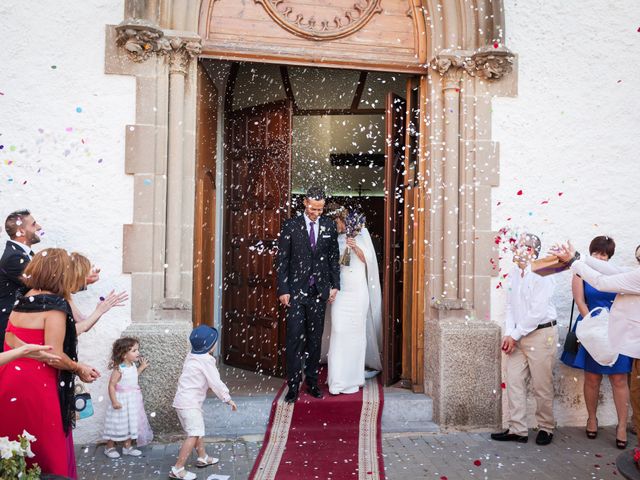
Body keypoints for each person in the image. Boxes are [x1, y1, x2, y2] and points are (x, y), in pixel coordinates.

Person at [0, 248, 100, 479]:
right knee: (46, 446)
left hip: (10, 381)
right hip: (37, 385)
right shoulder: (53, 305)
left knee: (18, 443)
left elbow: (10, 340)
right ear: (60, 274)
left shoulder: (24, 299)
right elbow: (54, 355)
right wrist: (79, 367)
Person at [555, 242, 640, 467]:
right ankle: (591, 419)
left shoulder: (633, 276)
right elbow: (583, 297)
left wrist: (575, 260)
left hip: (617, 332)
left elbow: (604, 281)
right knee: (592, 378)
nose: (601, 257)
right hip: (594, 331)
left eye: (605, 253)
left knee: (620, 379)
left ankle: (622, 426)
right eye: (598, 253)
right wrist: (577, 258)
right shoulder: (628, 273)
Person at [491, 233, 558, 446]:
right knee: (513, 381)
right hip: (518, 335)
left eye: (518, 246)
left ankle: (546, 427)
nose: (513, 249)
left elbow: (537, 313)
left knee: (542, 384)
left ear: (530, 250)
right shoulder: (513, 273)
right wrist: (510, 333)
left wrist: (515, 334)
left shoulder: (544, 273)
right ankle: (517, 429)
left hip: (541, 334)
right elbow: (511, 306)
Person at [276, 186, 341, 403]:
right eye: (313, 208)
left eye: (320, 209)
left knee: (314, 340)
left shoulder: (330, 226)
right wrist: (283, 289)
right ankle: (293, 385)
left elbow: (333, 258)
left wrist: (335, 285)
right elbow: (282, 260)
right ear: (305, 203)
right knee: (295, 339)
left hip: (318, 292)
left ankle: (312, 382)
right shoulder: (290, 225)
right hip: (295, 292)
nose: (317, 213)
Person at [323, 205, 382, 395]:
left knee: (356, 335)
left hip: (358, 292)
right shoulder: (333, 239)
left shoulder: (360, 235)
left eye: (337, 222)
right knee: (339, 331)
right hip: (341, 292)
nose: (336, 226)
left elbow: (370, 262)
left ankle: (354, 378)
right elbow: (333, 265)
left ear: (344, 220)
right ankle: (337, 380)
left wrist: (354, 247)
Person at [171, 325, 238, 480]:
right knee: (194, 433)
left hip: (182, 402)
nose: (216, 344)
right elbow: (215, 382)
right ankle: (178, 468)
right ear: (210, 345)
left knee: (197, 431)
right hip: (190, 404)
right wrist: (227, 398)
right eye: (215, 342)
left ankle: (203, 457)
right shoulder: (206, 360)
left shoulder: (192, 355)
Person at [103, 337, 153, 458]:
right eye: (134, 350)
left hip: (132, 400)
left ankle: (127, 446)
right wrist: (114, 401)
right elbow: (112, 385)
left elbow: (133, 376)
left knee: (131, 423)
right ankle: (109, 447)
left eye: (138, 350)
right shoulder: (119, 369)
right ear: (124, 354)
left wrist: (141, 367)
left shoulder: (132, 365)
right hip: (121, 401)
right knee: (117, 423)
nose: (138, 353)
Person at [0, 210, 42, 351]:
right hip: (8, 329)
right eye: (34, 224)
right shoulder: (14, 257)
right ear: (21, 231)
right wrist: (81, 282)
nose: (39, 227)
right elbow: (42, 283)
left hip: (18, 326)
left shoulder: (23, 254)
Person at [69, 252, 128, 336]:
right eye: (89, 269)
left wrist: (101, 308)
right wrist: (99, 310)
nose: (93, 270)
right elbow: (70, 332)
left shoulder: (64, 295)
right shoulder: (57, 297)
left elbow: (83, 323)